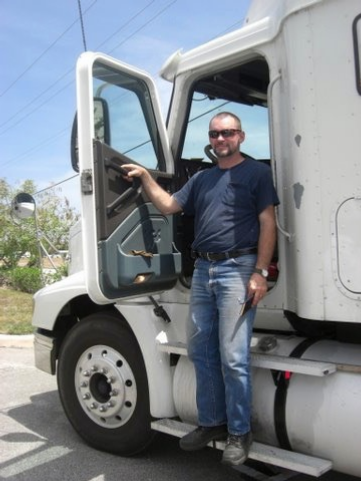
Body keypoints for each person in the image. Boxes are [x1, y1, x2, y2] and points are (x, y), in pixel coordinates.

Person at [122, 112, 279, 466]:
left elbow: (268, 221)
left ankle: (240, 432)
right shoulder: (203, 179)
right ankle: (213, 423)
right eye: (214, 134)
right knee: (200, 350)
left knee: (233, 356)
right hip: (204, 269)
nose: (220, 139)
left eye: (227, 133)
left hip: (238, 270)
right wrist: (146, 177)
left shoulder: (256, 173)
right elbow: (169, 205)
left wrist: (259, 272)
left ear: (240, 136)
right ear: (210, 140)